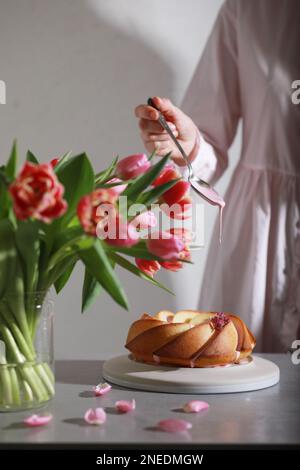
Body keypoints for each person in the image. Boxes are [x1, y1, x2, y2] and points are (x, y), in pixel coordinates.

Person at [134, 0, 300, 352]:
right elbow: (207, 143)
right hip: (260, 240)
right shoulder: (249, 10)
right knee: (241, 383)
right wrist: (188, 142)